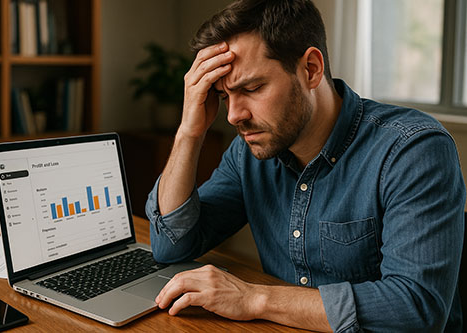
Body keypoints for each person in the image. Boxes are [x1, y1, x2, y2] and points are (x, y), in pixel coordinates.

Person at [145, 0, 466, 331]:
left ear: (311, 69)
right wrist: (189, 132)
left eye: (252, 88)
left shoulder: (412, 150)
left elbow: (416, 311)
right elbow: (171, 244)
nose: (233, 115)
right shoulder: (248, 152)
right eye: (225, 96)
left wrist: (254, 299)